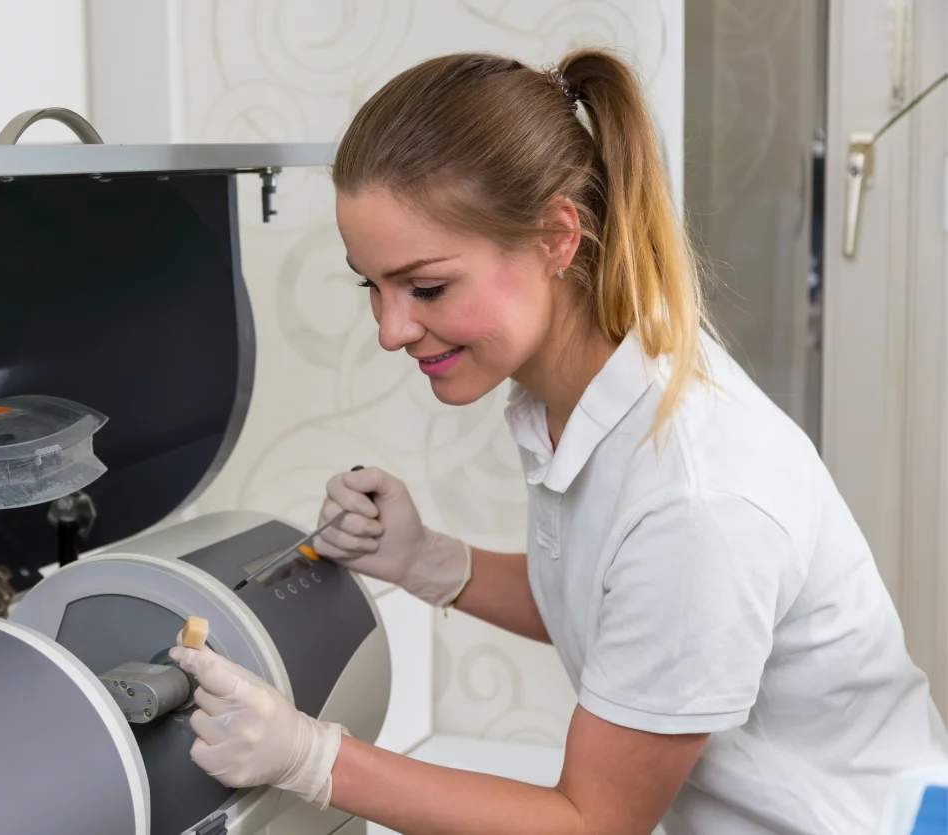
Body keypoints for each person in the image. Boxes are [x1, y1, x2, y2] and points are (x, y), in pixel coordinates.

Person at [167, 47, 948, 835]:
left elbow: (591, 823)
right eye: (370, 284)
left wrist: (313, 757)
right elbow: (613, 605)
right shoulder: (581, 389)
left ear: (555, 237)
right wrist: (428, 561)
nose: (390, 329)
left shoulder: (695, 495)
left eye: (426, 286)